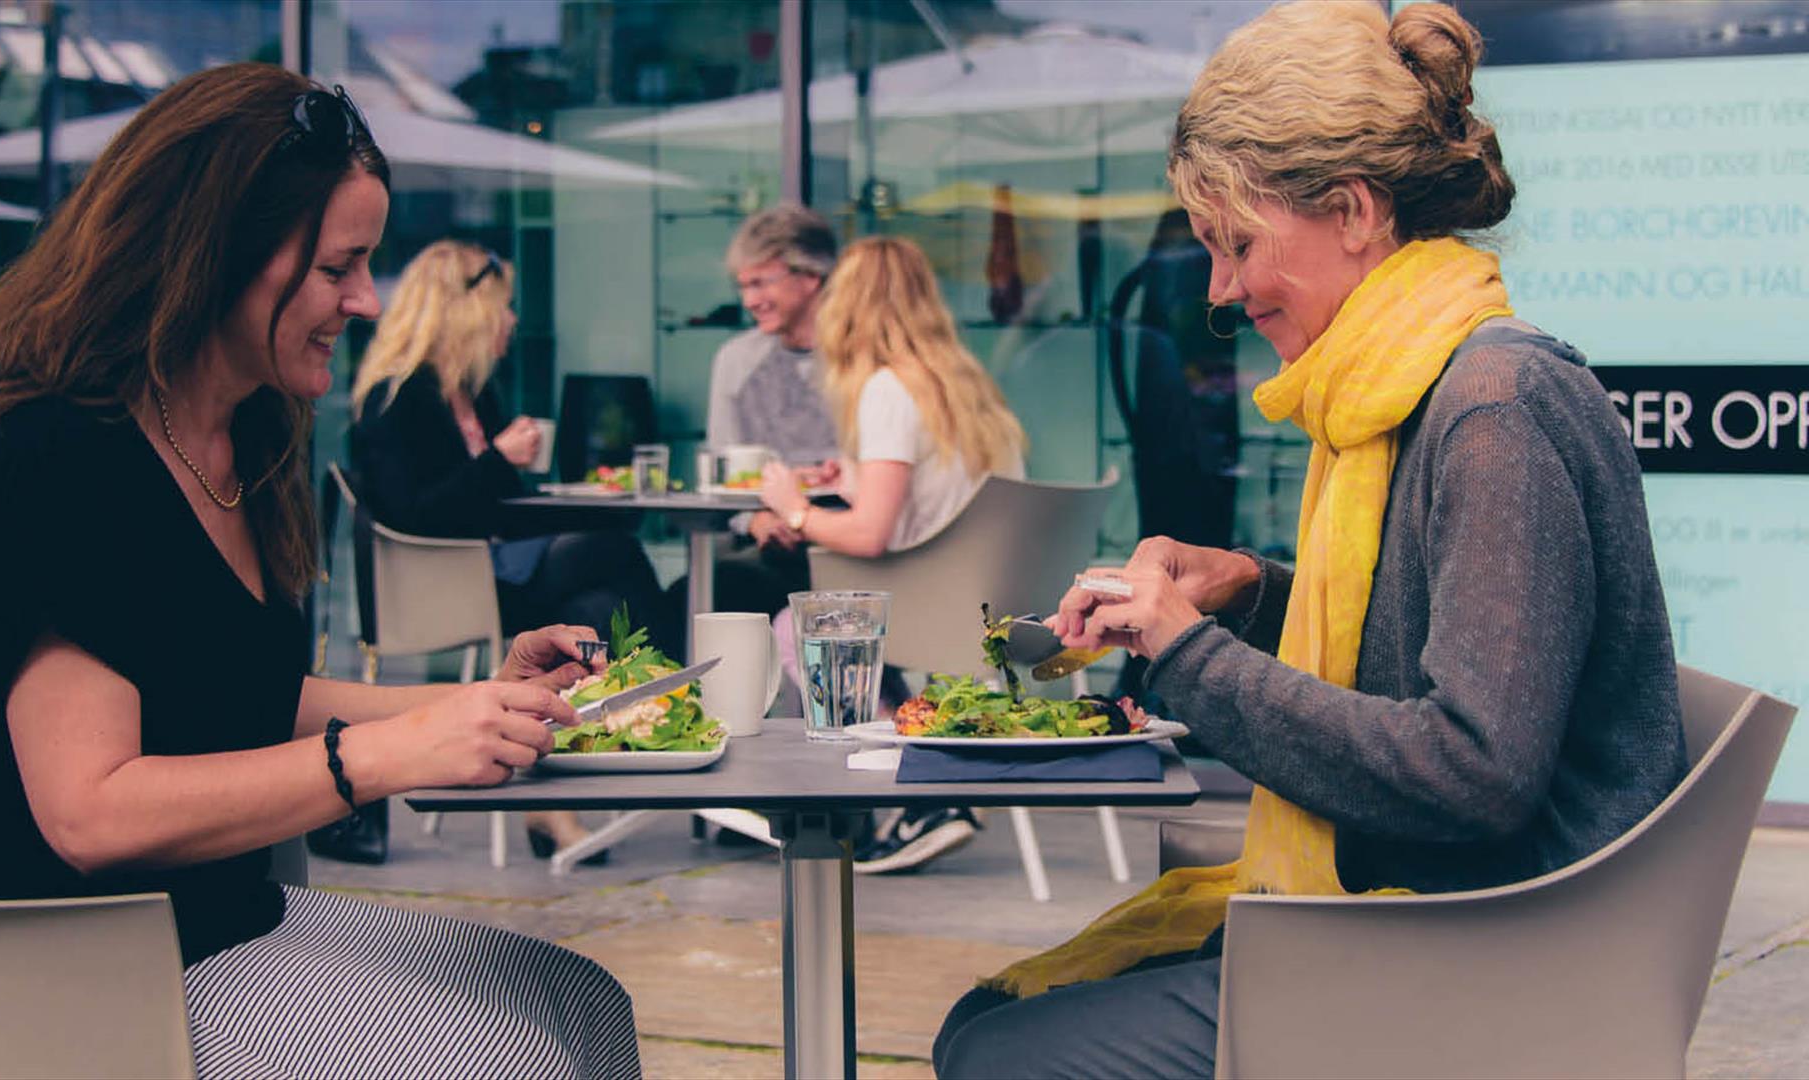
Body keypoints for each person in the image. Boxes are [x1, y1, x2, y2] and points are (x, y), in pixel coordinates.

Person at [931, 4, 1686, 1076]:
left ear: (1352, 210)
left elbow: (1474, 774)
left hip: (1483, 954)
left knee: (1003, 1054)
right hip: (1436, 918)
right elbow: (1420, 654)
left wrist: (1189, 655)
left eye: (1237, 244)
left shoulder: (1494, 409)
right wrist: (1247, 593)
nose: (1221, 292)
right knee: (985, 1025)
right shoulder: (1406, 390)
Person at [0, 64, 639, 1078]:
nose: (366, 301)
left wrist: (475, 705)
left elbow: (237, 689)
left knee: (584, 1003)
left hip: (211, 916)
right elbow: (90, 813)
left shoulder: (246, 435)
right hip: (58, 963)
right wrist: (386, 756)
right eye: (341, 268)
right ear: (222, 252)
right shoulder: (52, 450)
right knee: (506, 1059)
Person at [347, 239, 678, 864]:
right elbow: (415, 514)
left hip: (500, 571)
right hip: (443, 582)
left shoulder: (475, 395)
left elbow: (495, 506)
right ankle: (666, 700)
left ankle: (556, 792)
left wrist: (527, 476)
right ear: (463, 311)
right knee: (610, 553)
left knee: (602, 595)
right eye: (504, 307)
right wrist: (498, 459)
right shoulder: (395, 400)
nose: (513, 321)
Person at [759, 235, 1028, 874]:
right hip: (994, 611)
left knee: (795, 632)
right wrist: (851, 482)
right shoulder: (961, 383)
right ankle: (931, 775)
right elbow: (932, 501)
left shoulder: (885, 389)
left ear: (846, 308)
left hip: (932, 613)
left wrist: (791, 506)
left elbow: (873, 536)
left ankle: (921, 777)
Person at [693, 204, 843, 617]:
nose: (749, 301)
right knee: (694, 596)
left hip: (847, 544)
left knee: (728, 591)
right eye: (742, 287)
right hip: (761, 542)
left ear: (811, 276)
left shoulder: (862, 360)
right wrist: (755, 520)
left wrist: (806, 516)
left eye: (760, 283)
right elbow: (721, 473)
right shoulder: (735, 360)